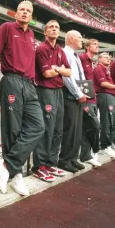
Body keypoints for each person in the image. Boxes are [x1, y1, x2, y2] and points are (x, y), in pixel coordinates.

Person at [0, 0, 45, 195]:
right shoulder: (7, 27)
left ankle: (7, 165)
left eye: (28, 11)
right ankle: (16, 176)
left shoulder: (31, 34)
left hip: (29, 84)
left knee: (38, 125)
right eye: (21, 9)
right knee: (12, 129)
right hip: (12, 80)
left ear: (31, 17)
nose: (24, 12)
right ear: (16, 13)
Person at [33, 20, 72, 182]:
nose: (54, 29)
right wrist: (58, 69)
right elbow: (46, 74)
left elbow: (69, 72)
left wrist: (55, 68)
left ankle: (50, 163)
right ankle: (39, 166)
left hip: (58, 91)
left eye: (57, 27)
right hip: (46, 91)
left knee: (57, 129)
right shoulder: (41, 48)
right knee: (47, 129)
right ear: (45, 32)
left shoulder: (60, 50)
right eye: (51, 27)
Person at [58, 30, 87, 173]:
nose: (82, 40)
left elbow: (78, 76)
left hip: (77, 94)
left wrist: (83, 92)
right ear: (71, 39)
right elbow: (67, 77)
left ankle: (72, 158)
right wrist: (78, 93)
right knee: (69, 128)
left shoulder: (75, 55)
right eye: (80, 37)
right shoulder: (65, 53)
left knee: (77, 128)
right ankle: (64, 159)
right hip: (69, 94)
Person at [93, 52, 115, 157]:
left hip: (109, 96)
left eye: (109, 58)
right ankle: (104, 146)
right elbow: (103, 83)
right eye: (106, 57)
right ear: (99, 59)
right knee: (108, 121)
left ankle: (107, 143)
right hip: (104, 95)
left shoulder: (105, 70)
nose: (109, 59)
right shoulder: (99, 69)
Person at [79, 39, 101, 167]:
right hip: (85, 99)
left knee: (87, 129)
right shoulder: (82, 58)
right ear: (87, 47)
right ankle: (96, 149)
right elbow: (79, 77)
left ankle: (86, 155)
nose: (97, 46)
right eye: (94, 44)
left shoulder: (92, 62)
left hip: (93, 98)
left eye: (98, 45)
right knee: (95, 126)